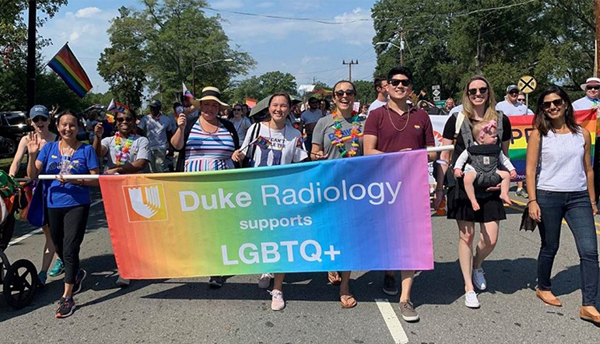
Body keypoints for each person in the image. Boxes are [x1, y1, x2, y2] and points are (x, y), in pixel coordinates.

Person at [364, 66, 436, 322]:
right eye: (394, 82)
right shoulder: (376, 115)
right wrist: (397, 158)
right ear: (387, 86)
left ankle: (405, 298)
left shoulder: (422, 115)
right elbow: (368, 151)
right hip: (384, 187)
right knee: (389, 236)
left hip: (413, 187)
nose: (399, 86)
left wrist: (415, 156)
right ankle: (389, 271)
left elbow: (432, 152)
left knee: (411, 240)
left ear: (411, 87)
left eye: (404, 82)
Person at [435, 75, 512, 309]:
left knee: (490, 238)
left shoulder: (501, 120)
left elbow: (503, 155)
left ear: (489, 92)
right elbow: (445, 156)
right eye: (473, 91)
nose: (478, 94)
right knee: (466, 236)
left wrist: (504, 179)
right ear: (467, 95)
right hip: (463, 186)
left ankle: (477, 264)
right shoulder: (457, 119)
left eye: (482, 90)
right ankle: (468, 286)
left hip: (490, 186)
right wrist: (440, 187)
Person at [526, 85, 600, 325]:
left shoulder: (582, 134)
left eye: (556, 102)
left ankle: (589, 304)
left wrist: (592, 201)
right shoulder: (539, 133)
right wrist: (532, 200)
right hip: (548, 196)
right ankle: (543, 286)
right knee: (550, 246)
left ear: (566, 103)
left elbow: (588, 170)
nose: (552, 107)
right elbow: (529, 170)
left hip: (578, 198)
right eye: (547, 105)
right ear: (542, 109)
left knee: (589, 251)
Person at [232, 93, 307, 311]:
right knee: (262, 235)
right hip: (256, 193)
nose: (279, 109)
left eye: (284, 106)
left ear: (289, 109)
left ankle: (278, 288)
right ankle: (266, 267)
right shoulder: (255, 130)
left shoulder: (294, 134)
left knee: (281, 239)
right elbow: (243, 155)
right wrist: (237, 156)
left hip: (282, 195)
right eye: (275, 105)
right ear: (269, 107)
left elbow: (300, 164)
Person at [27, 109, 100, 318]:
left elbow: (96, 179)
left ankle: (67, 296)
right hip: (53, 203)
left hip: (77, 203)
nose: (68, 128)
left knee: (70, 247)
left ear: (78, 128)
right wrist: (32, 156)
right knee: (58, 245)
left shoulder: (85, 150)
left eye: (72, 125)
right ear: (58, 127)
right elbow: (33, 175)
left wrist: (75, 180)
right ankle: (75, 274)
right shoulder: (49, 148)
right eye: (64, 125)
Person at [171, 87, 239, 287]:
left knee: (219, 226)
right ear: (200, 106)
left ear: (219, 108)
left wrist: (238, 156)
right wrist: (180, 128)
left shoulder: (227, 126)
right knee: (199, 226)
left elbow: (236, 150)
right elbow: (176, 146)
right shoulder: (190, 124)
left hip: (223, 186)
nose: (210, 108)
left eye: (214, 105)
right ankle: (200, 260)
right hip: (195, 186)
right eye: (207, 104)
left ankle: (216, 267)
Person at [311, 80, 365, 309]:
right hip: (329, 188)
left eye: (349, 92)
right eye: (339, 93)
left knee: (349, 237)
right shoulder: (323, 123)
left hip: (355, 188)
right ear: (333, 98)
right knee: (330, 233)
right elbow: (313, 152)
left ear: (354, 96)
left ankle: (345, 286)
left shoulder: (363, 123)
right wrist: (317, 155)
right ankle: (331, 265)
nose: (344, 96)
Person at [93, 109, 150, 287]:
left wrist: (118, 170)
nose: (124, 121)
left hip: (135, 190)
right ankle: (124, 270)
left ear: (134, 121)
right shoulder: (109, 140)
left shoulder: (141, 140)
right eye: (120, 119)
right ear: (115, 122)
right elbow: (97, 154)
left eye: (128, 119)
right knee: (120, 232)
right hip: (114, 192)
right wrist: (96, 136)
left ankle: (144, 265)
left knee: (139, 230)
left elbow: (141, 163)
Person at [9, 105, 64, 284]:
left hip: (54, 188)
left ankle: (45, 270)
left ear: (49, 120)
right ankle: (55, 261)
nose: (40, 122)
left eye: (43, 119)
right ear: (30, 122)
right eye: (36, 120)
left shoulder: (56, 140)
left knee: (54, 229)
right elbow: (16, 161)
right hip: (35, 189)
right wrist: (10, 180)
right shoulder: (26, 139)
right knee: (47, 229)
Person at [453, 120, 517, 211]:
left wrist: (512, 169)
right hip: (474, 170)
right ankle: (473, 200)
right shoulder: (471, 148)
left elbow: (504, 160)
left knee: (506, 175)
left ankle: (504, 193)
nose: (496, 139)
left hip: (492, 170)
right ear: (482, 138)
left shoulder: (496, 149)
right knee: (467, 178)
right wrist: (457, 169)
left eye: (496, 136)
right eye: (493, 136)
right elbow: (461, 159)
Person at [496, 85, 533, 198]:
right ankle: (501, 187)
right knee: (503, 161)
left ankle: (520, 186)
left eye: (516, 92)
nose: (514, 94)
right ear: (507, 93)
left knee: (519, 160)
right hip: (504, 138)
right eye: (511, 92)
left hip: (519, 140)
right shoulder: (500, 106)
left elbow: (532, 119)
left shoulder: (523, 107)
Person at [573, 77, 600, 204]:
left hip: (599, 140)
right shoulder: (577, 105)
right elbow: (572, 121)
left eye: (596, 87)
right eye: (590, 88)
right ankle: (588, 197)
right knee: (587, 168)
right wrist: (589, 113)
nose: (593, 90)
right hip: (584, 140)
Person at [138, 100, 175, 173]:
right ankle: (154, 184)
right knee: (152, 169)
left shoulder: (166, 119)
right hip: (149, 147)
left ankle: (161, 183)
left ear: (159, 108)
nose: (152, 109)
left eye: (154, 108)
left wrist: (170, 147)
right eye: (151, 107)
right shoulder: (146, 119)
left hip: (161, 147)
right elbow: (139, 130)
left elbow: (169, 133)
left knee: (159, 166)